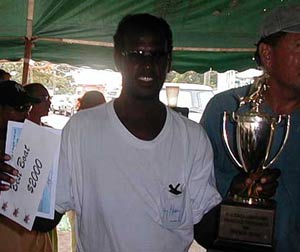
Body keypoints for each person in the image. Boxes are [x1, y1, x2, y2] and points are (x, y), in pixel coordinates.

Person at [30, 13, 222, 251]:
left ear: (168, 61)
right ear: (117, 59)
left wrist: (241, 201)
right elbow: (44, 218)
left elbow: (205, 232)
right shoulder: (81, 129)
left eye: (156, 54)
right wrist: (13, 182)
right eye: (136, 54)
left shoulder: (192, 138)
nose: (147, 64)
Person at [199, 5, 300, 252]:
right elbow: (196, 189)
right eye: (299, 46)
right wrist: (235, 189)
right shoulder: (225, 109)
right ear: (267, 54)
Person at [0, 80, 52, 251]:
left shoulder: (30, 138)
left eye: (27, 108)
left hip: (29, 230)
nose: (25, 115)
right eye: (19, 109)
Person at [24, 83, 58, 252]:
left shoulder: (51, 133)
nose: (49, 102)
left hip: (45, 205)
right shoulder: (17, 134)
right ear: (30, 104)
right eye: (44, 98)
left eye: (49, 98)